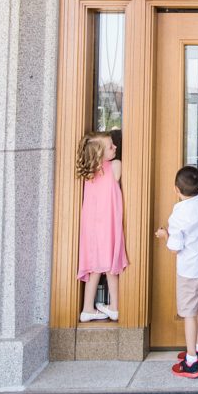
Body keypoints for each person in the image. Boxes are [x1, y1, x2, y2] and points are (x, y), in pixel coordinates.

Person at [155, 165, 198, 378]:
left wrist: (164, 234)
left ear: (176, 190)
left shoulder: (178, 215)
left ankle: (192, 360)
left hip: (189, 271)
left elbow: (175, 248)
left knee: (189, 314)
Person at [76, 131, 128, 322]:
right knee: (111, 265)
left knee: (94, 266)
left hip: (91, 225)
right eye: (110, 146)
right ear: (99, 153)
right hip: (108, 223)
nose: (115, 147)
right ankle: (114, 306)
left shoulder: (88, 173)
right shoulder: (115, 165)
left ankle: (87, 308)